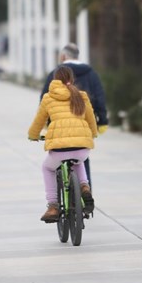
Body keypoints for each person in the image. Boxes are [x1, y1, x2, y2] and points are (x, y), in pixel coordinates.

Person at [29, 65, 98, 223]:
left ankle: (53, 205)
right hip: (81, 147)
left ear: (55, 79)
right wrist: (93, 134)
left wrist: (33, 135)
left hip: (59, 150)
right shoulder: (81, 95)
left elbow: (38, 121)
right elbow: (91, 118)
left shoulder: (48, 98)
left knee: (47, 168)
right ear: (71, 79)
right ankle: (85, 187)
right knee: (79, 160)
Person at [40, 42, 108, 189]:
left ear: (63, 56)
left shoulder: (55, 74)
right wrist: (102, 121)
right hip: (83, 125)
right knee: (82, 158)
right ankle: (85, 192)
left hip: (59, 128)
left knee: (56, 161)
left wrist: (46, 123)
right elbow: (100, 97)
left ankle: (58, 201)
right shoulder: (91, 73)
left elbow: (44, 101)